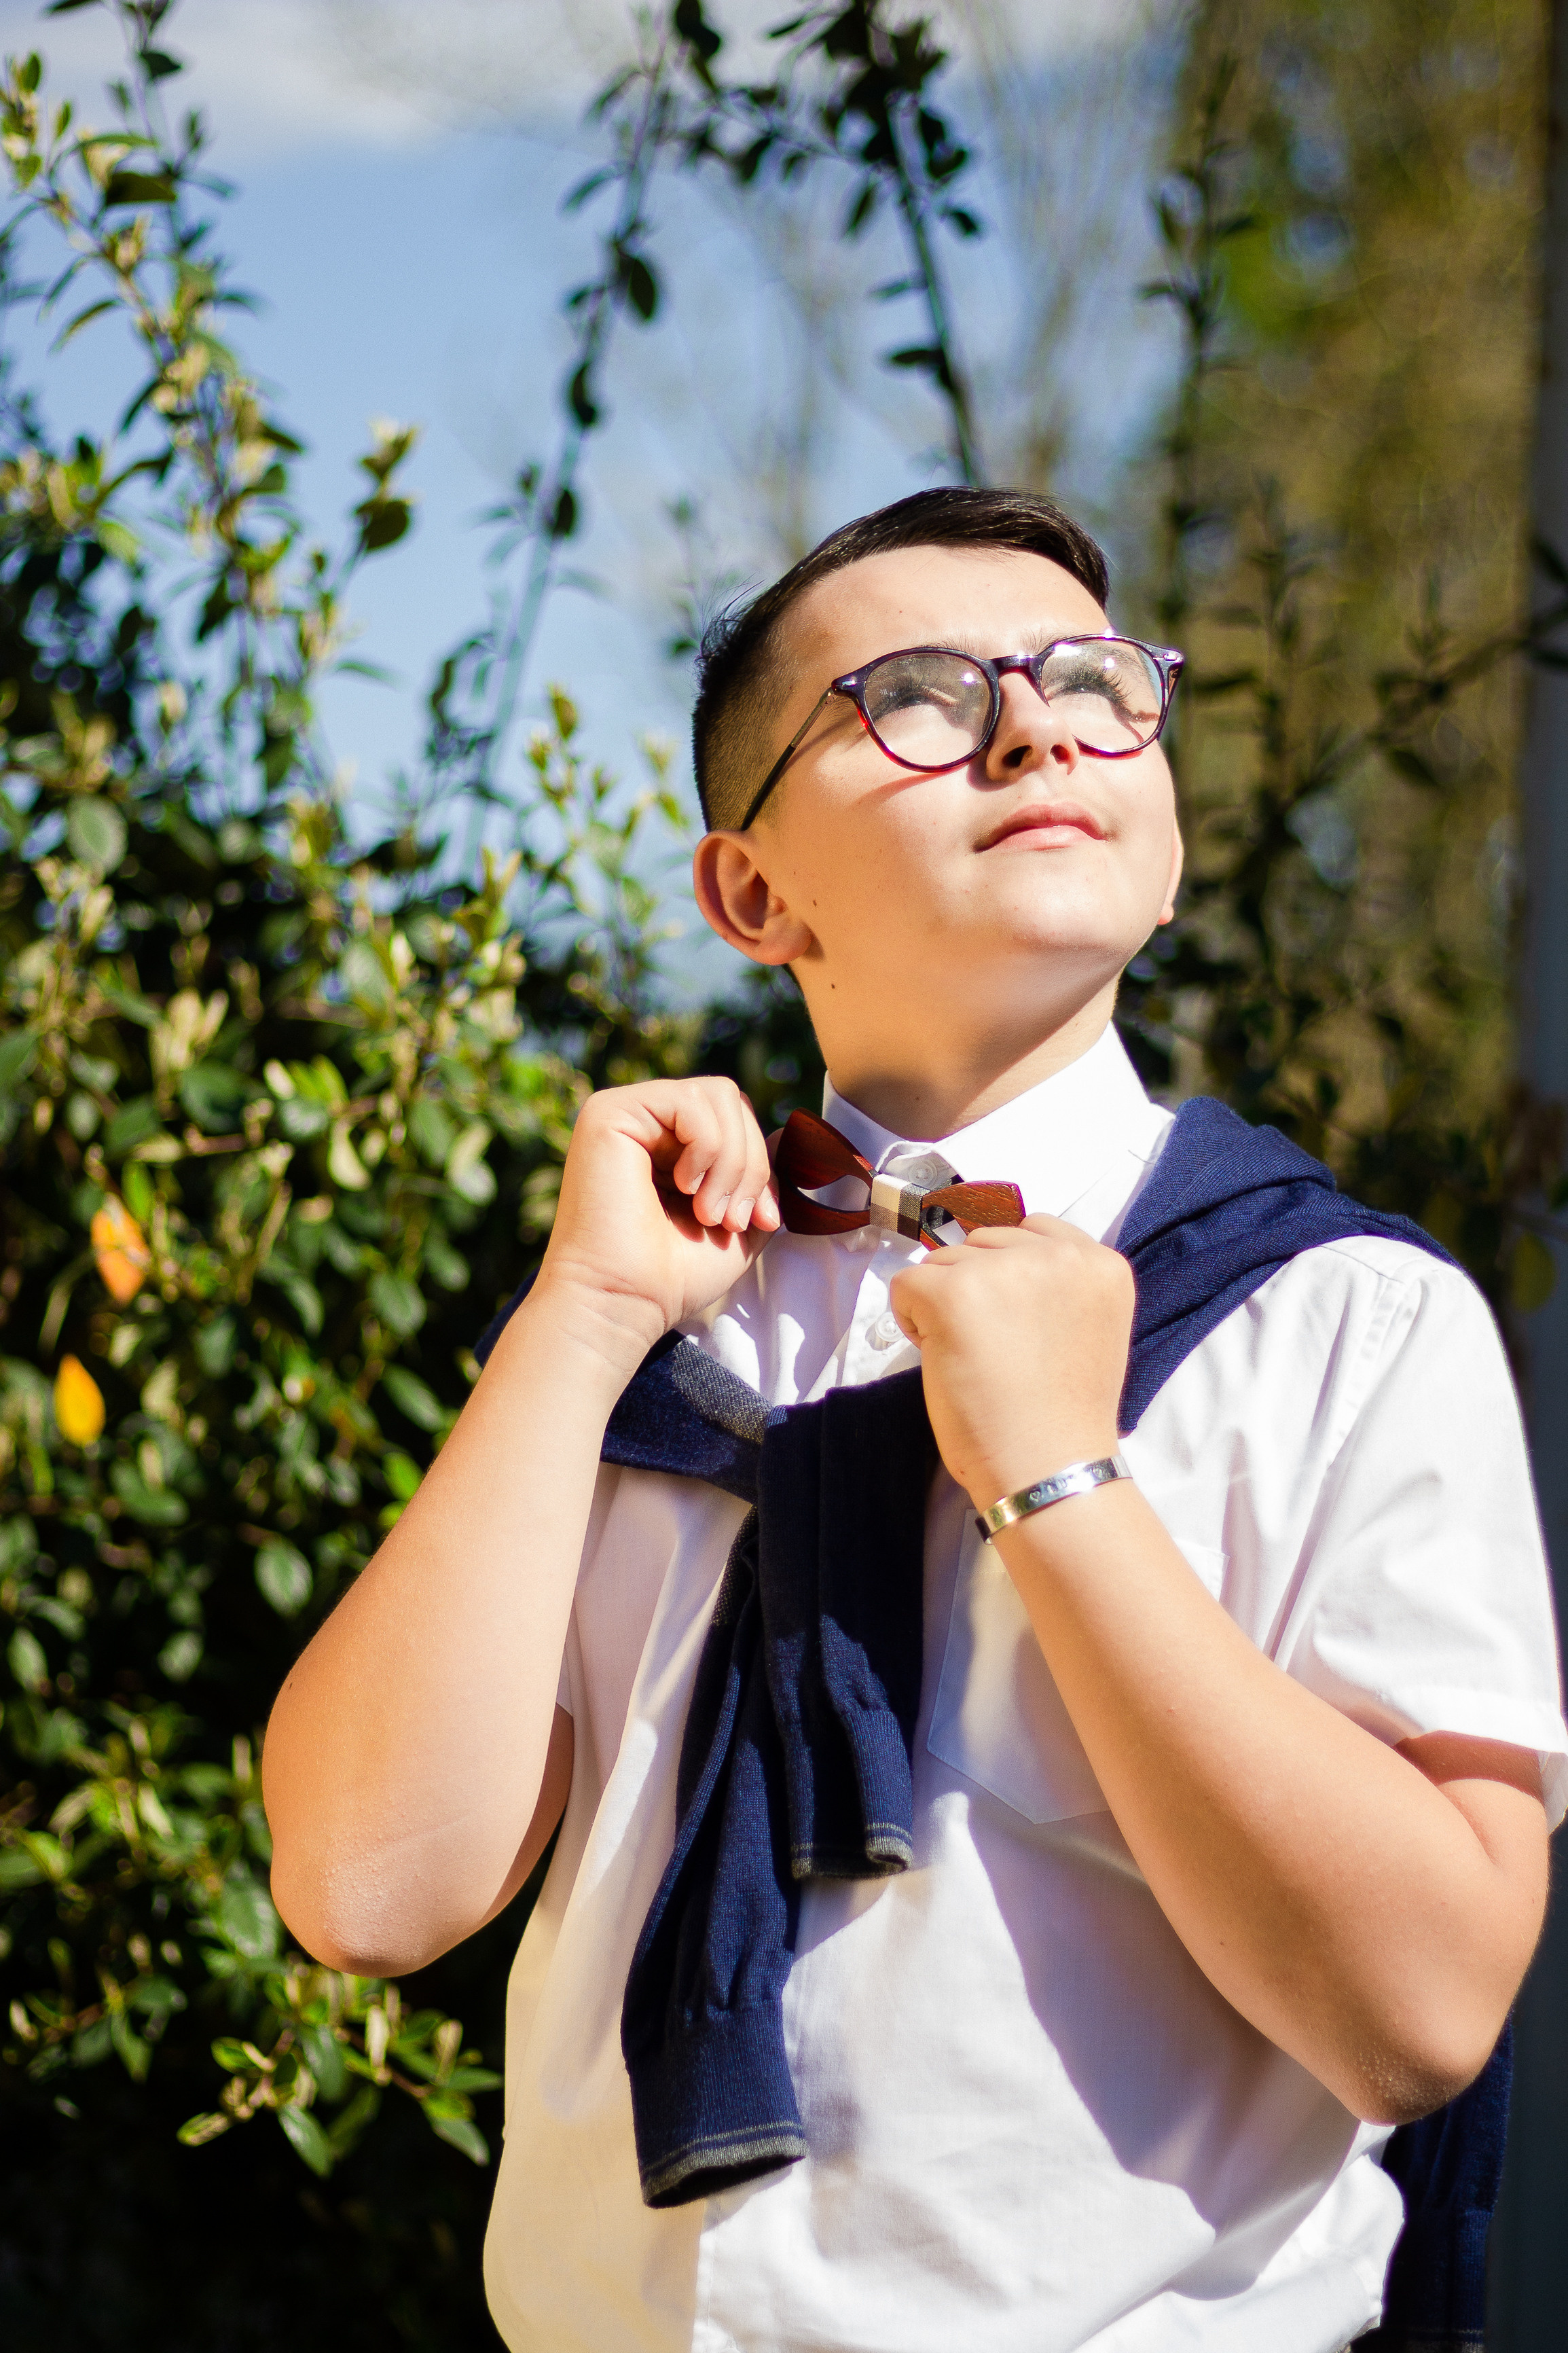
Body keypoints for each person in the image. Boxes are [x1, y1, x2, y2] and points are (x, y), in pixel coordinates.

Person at [262, 488, 1566, 2353]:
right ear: (751, 893)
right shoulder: (634, 1322)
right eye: (922, 698)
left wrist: (1061, 1478)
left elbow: (1425, 2009)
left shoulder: (1345, 1321)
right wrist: (576, 1323)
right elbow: (363, 1885)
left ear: (1169, 840)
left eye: (1100, 686)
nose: (1039, 728)